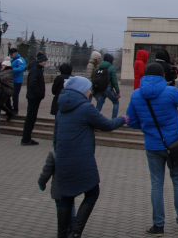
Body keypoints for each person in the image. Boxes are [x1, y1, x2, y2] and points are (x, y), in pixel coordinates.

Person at [54, 76, 128, 238]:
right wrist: (123, 119)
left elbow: (55, 137)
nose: (90, 92)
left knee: (66, 196)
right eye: (88, 89)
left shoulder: (61, 109)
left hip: (63, 159)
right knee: (92, 192)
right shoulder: (86, 108)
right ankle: (76, 232)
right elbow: (106, 125)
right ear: (81, 91)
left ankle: (62, 234)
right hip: (82, 160)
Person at [126, 62, 178, 235]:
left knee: (156, 184)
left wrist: (148, 128)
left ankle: (158, 225)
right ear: (162, 75)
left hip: (153, 145)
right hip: (174, 144)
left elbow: (131, 121)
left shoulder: (136, 95)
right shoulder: (170, 92)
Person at [38, 150, 75, 238]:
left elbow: (47, 171)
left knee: (61, 209)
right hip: (72, 188)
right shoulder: (74, 152)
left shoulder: (54, 153)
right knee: (71, 207)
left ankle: (64, 230)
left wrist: (41, 182)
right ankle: (72, 227)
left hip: (59, 189)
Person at [21, 52, 47, 145]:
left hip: (34, 97)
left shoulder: (37, 68)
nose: (45, 62)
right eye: (44, 61)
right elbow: (33, 83)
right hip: (34, 97)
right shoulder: (36, 69)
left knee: (31, 117)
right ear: (40, 61)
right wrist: (39, 93)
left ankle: (26, 137)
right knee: (30, 118)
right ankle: (26, 138)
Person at [94, 53, 120, 119]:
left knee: (99, 106)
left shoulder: (98, 68)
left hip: (100, 89)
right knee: (115, 102)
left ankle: (94, 120)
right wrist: (117, 91)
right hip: (108, 89)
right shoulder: (111, 68)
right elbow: (114, 81)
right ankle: (114, 119)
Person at [0, 59, 15, 123]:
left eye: (3, 66)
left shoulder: (9, 72)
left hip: (6, 91)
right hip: (1, 90)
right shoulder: (3, 72)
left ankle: (10, 113)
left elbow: (2, 79)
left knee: (0, 104)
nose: (1, 67)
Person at [10, 47, 26, 114]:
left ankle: (15, 109)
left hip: (17, 80)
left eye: (12, 54)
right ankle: (10, 108)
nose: (11, 55)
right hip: (12, 80)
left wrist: (11, 70)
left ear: (16, 53)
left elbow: (21, 68)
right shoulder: (12, 59)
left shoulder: (20, 60)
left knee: (15, 95)